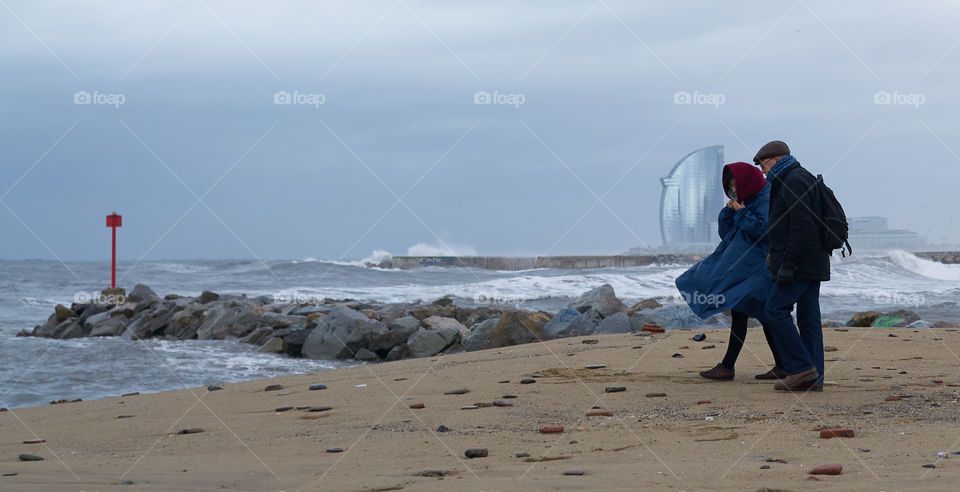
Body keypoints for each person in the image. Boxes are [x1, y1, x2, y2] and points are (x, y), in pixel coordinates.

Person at [675, 162, 783, 381]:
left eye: (736, 185)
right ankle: (778, 365)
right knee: (751, 314)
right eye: (731, 187)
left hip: (757, 267)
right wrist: (728, 210)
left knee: (756, 313)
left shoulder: (765, 197)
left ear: (746, 181)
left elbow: (765, 232)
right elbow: (727, 233)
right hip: (741, 267)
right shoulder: (747, 198)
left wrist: (742, 212)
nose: (734, 190)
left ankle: (731, 367)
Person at [754, 140, 830, 391]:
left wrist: (788, 264)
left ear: (775, 159)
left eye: (763, 165)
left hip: (801, 263)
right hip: (813, 260)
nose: (762, 171)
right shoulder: (798, 176)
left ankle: (800, 369)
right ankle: (813, 378)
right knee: (808, 319)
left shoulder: (792, 180)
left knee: (774, 310)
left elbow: (802, 226)